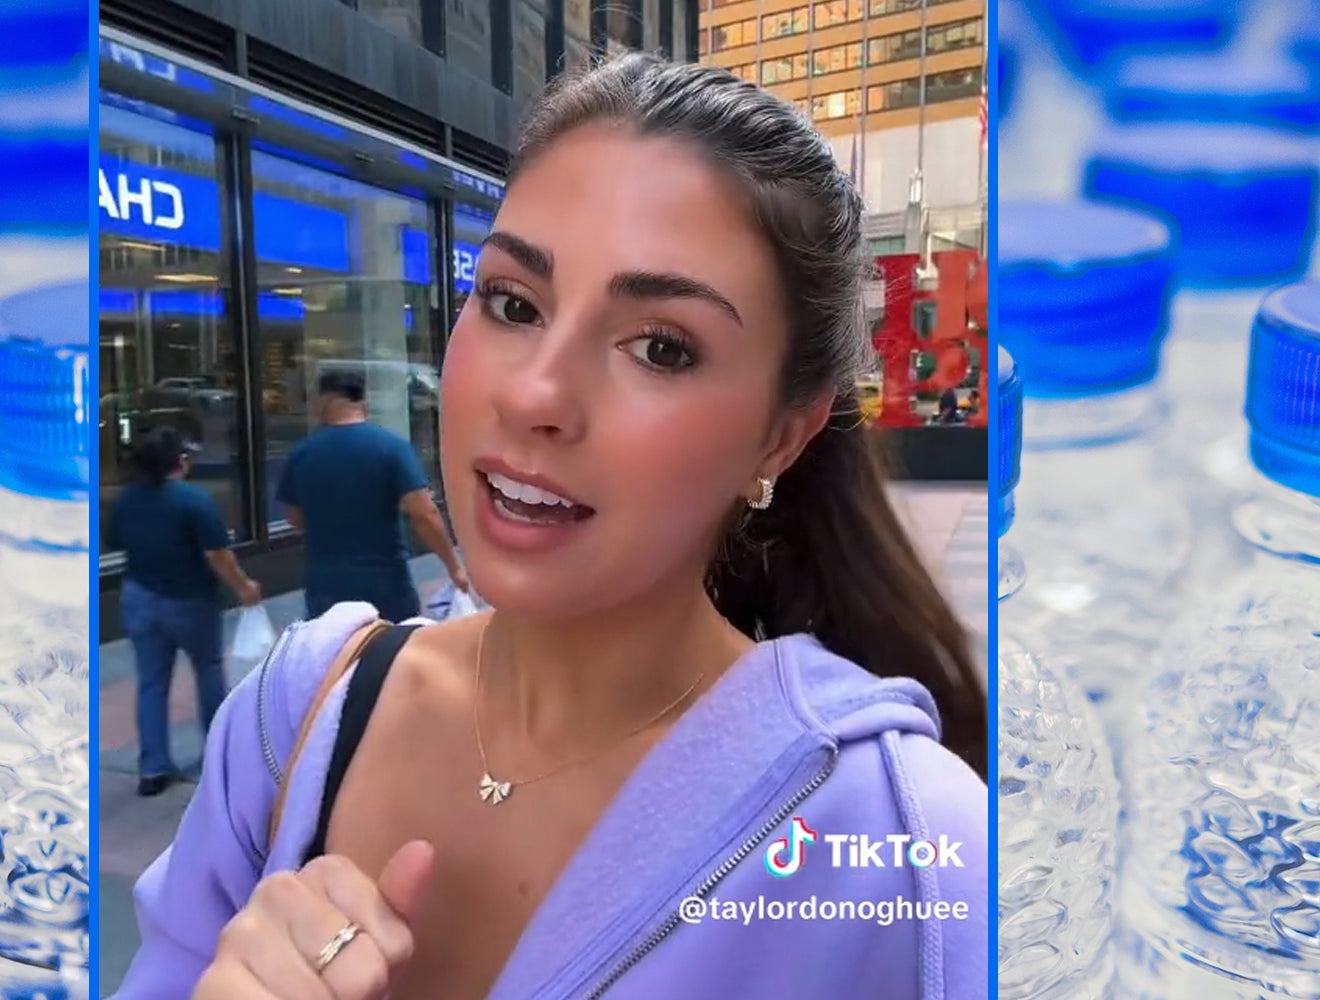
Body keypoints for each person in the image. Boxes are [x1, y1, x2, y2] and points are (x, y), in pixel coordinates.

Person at [114, 53, 988, 999]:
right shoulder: (297, 717)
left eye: (661, 347)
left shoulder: (908, 849)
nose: (536, 394)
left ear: (782, 435)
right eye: (513, 303)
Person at [107, 427, 265, 797]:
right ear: (179, 462)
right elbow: (218, 555)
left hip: (140, 597)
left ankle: (153, 768)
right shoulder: (194, 500)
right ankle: (217, 756)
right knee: (209, 672)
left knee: (151, 682)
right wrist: (244, 587)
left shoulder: (126, 499)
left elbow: (115, 540)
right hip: (190, 601)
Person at [277, 369, 469, 621]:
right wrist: (454, 567)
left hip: (325, 590)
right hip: (386, 587)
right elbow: (424, 514)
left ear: (322, 403)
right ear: (363, 403)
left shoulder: (301, 455)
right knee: (392, 656)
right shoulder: (392, 448)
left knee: (334, 658)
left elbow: (295, 520)